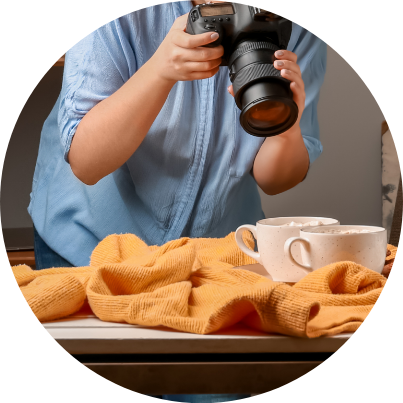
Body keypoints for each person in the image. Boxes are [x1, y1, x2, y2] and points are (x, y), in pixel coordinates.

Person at [28, 0, 327, 401]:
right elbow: (87, 160)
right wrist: (160, 71)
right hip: (91, 245)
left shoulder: (291, 26)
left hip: (214, 258)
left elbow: (275, 179)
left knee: (213, 392)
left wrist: (285, 127)